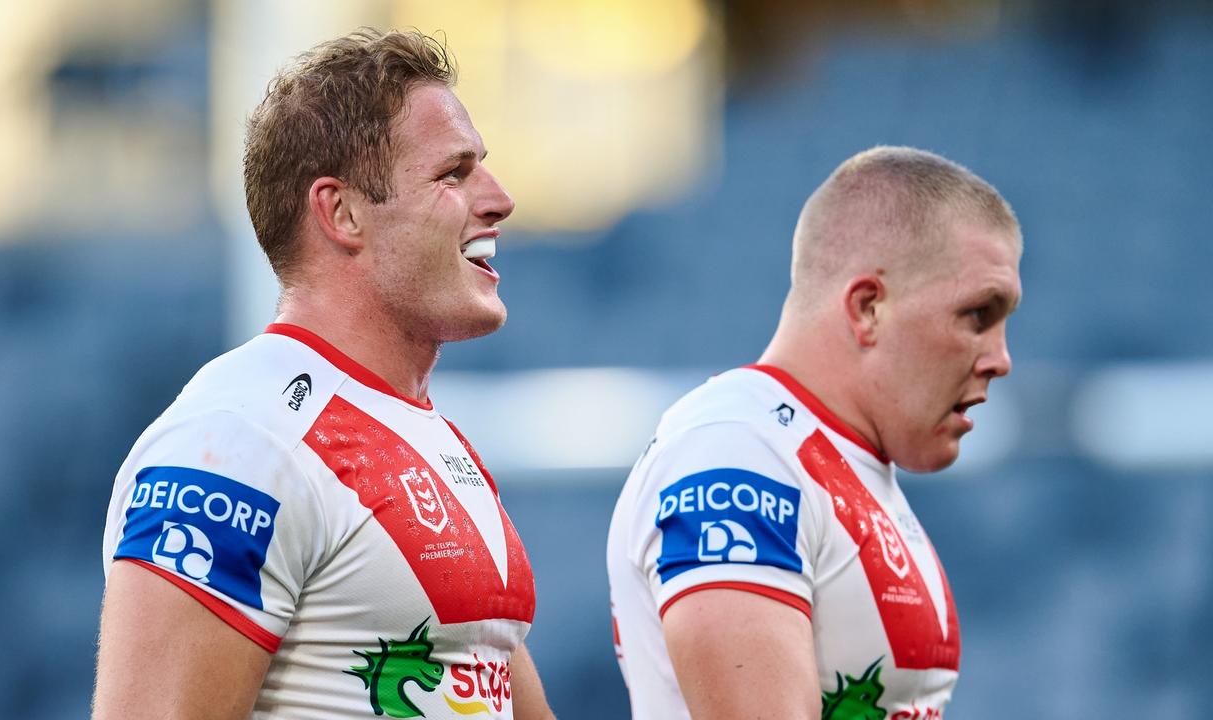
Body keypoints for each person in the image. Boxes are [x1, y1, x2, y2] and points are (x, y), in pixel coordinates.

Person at [93, 29, 555, 720]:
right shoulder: (236, 444)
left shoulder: (432, 441)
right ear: (341, 212)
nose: (499, 199)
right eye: (453, 174)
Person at [607, 146, 1022, 719]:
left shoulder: (837, 460)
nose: (1001, 359)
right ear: (869, 307)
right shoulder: (739, 453)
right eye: (978, 315)